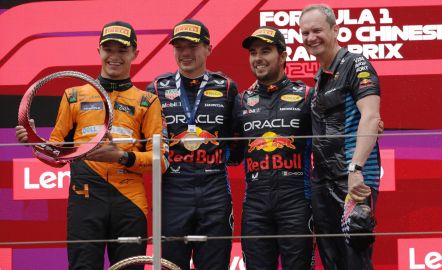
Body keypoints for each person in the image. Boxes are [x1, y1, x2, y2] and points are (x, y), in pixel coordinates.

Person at [15, 21, 169, 269]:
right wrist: (35, 143)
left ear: (135, 54)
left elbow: (160, 162)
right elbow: (56, 156)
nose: (115, 56)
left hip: (129, 203)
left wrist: (121, 157)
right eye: (109, 49)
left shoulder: (147, 101)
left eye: (122, 50)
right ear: (99, 51)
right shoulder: (73, 95)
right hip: (85, 200)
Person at [146, 19, 238, 270]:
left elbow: (236, 144)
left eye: (193, 46)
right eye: (179, 47)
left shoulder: (227, 87)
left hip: (215, 189)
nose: (185, 53)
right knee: (170, 265)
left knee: (215, 264)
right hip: (173, 190)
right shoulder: (156, 88)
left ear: (208, 48)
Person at [299, 4, 382, 270]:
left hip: (352, 182)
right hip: (322, 183)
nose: (311, 38)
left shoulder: (355, 64)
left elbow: (370, 117)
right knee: (332, 261)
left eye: (317, 30)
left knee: (354, 260)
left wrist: (355, 168)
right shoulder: (320, 78)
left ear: (335, 30)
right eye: (305, 32)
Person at [232, 26, 314, 270]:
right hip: (255, 204)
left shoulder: (307, 95)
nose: (258, 58)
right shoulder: (241, 101)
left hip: (297, 202)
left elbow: (330, 140)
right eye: (253, 52)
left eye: (265, 51)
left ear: (283, 55)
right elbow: (231, 154)